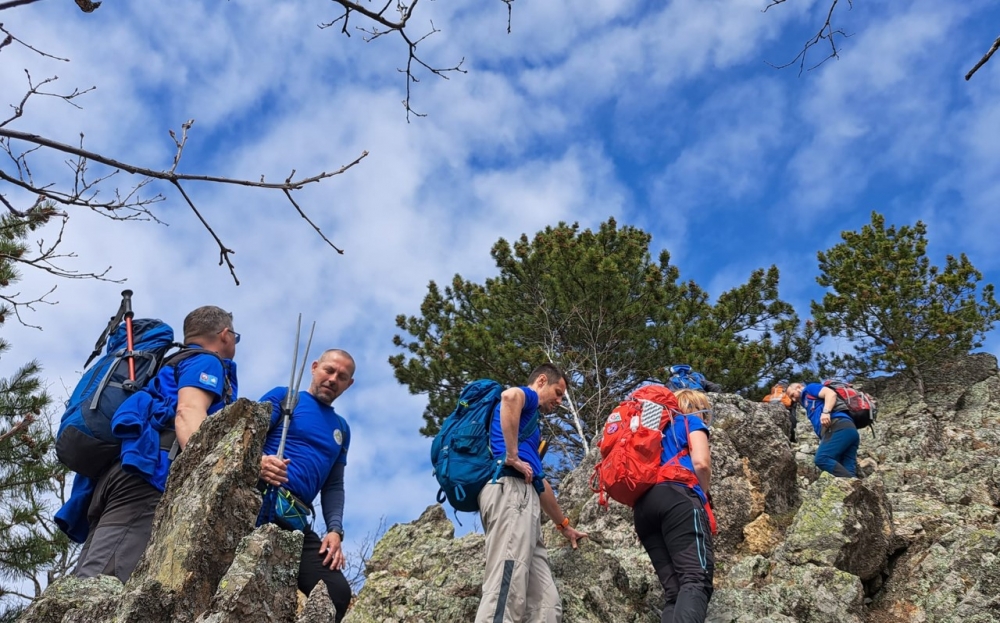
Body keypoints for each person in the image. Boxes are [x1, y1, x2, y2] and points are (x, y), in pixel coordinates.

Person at [72, 306, 240, 582]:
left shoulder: (169, 364)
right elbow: (188, 413)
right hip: (149, 475)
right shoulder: (206, 362)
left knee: (89, 578)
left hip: (122, 473)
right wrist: (212, 477)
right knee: (105, 581)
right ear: (225, 335)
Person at [475, 364, 588, 623]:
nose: (559, 401)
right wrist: (512, 456)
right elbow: (509, 397)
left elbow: (541, 483)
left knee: (546, 605)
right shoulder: (527, 397)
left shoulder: (530, 424)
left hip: (525, 501)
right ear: (541, 381)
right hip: (510, 493)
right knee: (506, 587)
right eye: (558, 392)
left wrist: (564, 525)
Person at [258, 349, 355, 621]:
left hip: (296, 520)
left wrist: (335, 530)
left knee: (335, 591)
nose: (333, 379)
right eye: (329, 370)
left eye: (342, 376)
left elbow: (334, 484)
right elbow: (241, 433)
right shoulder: (285, 397)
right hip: (258, 500)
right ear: (314, 367)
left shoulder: (341, 429)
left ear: (349, 384)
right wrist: (259, 461)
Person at [633, 388, 715, 623]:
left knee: (674, 592)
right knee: (695, 580)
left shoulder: (652, 431)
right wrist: (703, 493)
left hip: (643, 509)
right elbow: (701, 463)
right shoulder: (690, 422)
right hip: (677, 500)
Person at [785, 382, 859, 477]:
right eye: (791, 398)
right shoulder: (808, 402)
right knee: (848, 470)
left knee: (822, 458)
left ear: (799, 387)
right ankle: (857, 488)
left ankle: (854, 484)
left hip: (838, 427)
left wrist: (826, 412)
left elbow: (830, 394)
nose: (793, 399)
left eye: (792, 395)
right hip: (849, 430)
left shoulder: (809, 389)